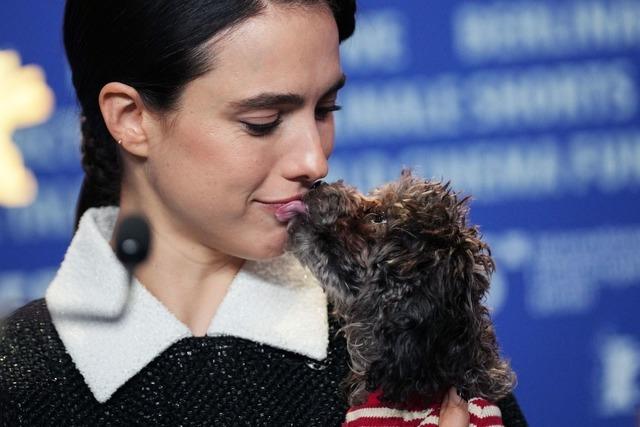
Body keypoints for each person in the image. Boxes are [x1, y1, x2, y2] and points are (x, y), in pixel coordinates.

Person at [0, 1, 527, 425]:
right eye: (263, 121)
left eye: (324, 110)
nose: (313, 160)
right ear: (132, 118)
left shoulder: (407, 333)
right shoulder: (20, 384)